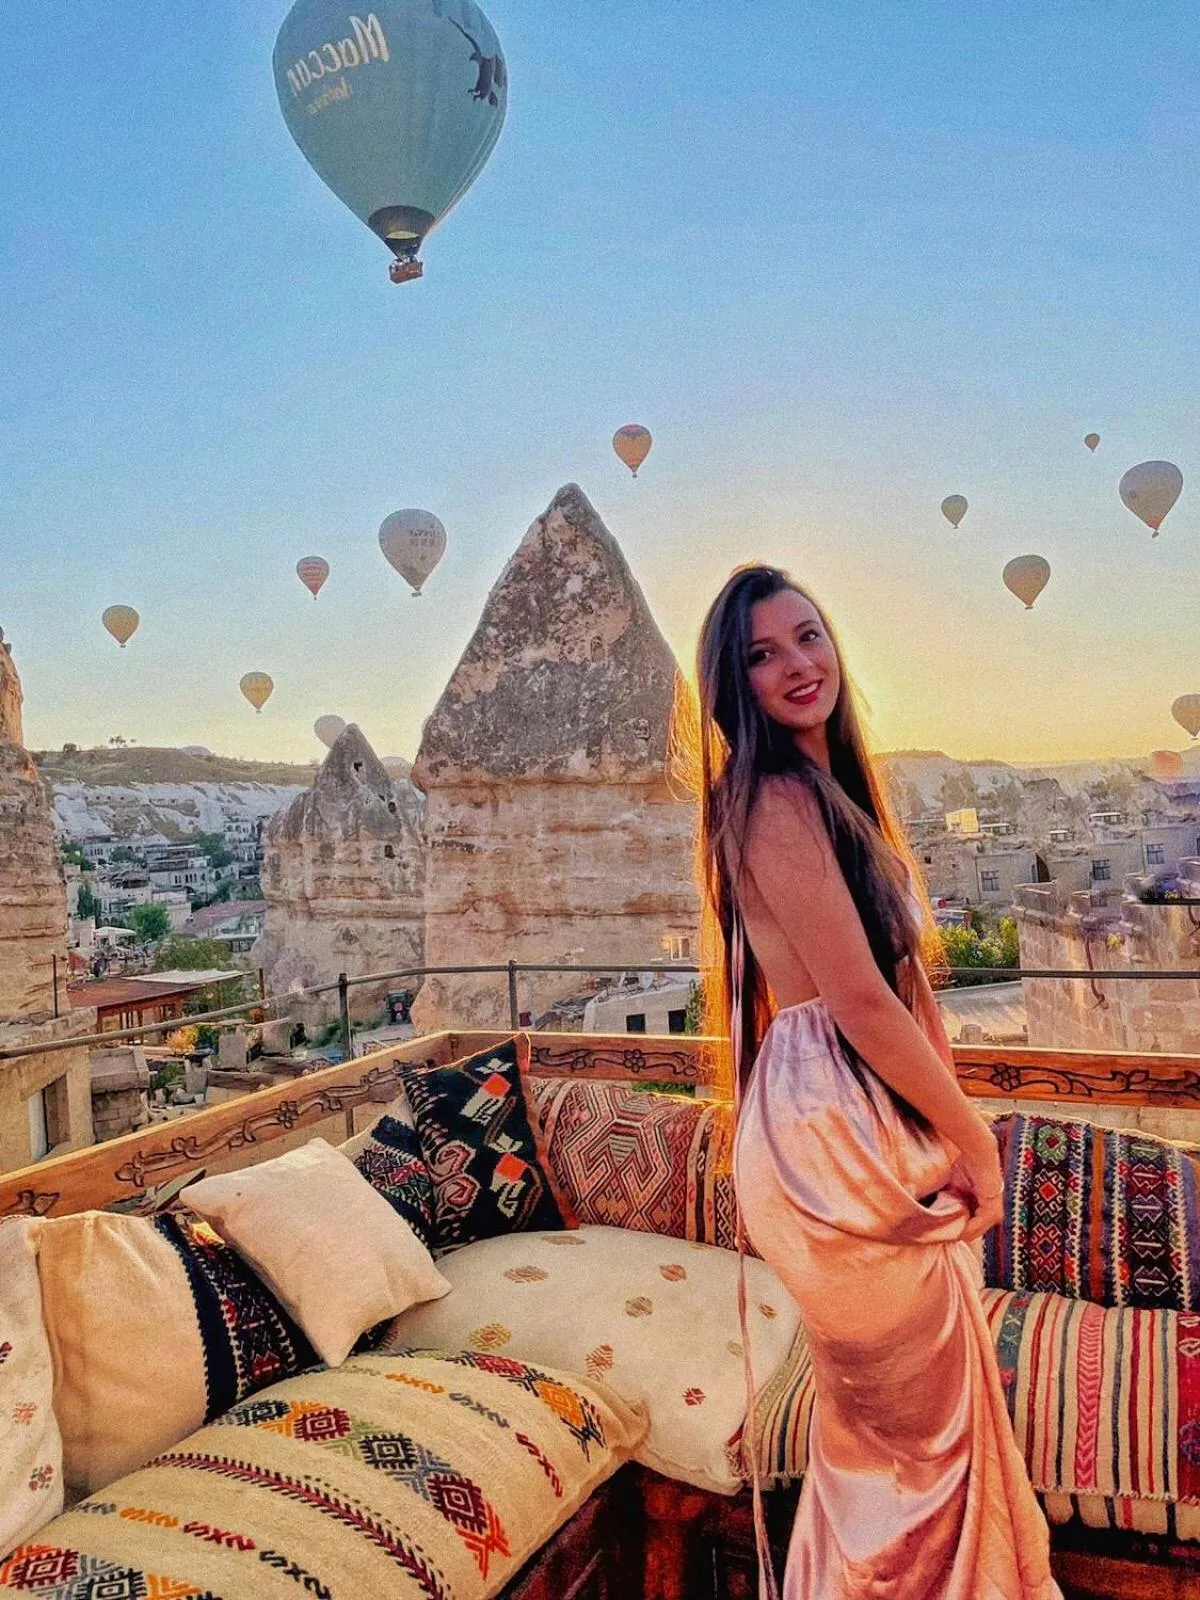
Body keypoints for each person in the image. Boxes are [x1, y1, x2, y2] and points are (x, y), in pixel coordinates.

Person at [691, 564, 1061, 1599]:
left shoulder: (827, 793)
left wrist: (939, 1121)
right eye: (762, 654)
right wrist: (975, 1139)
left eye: (808, 636)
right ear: (735, 687)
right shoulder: (769, 797)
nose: (798, 665)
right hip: (834, 1140)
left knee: (894, 1445)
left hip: (850, 1124)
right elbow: (857, 999)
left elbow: (889, 993)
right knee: (912, 1452)